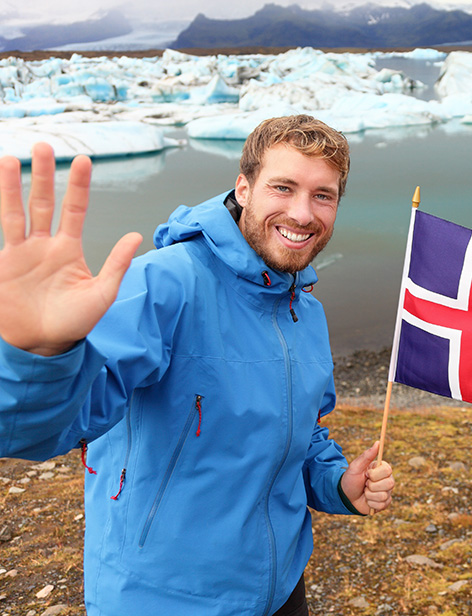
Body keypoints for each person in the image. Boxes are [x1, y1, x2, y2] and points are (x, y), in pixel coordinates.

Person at [0, 114, 395, 616]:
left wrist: (339, 483)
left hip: (279, 589)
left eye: (323, 195)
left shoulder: (303, 308)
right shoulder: (165, 284)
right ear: (244, 188)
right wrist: (38, 353)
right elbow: (42, 429)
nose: (302, 213)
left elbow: (300, 435)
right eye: (283, 187)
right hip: (165, 597)